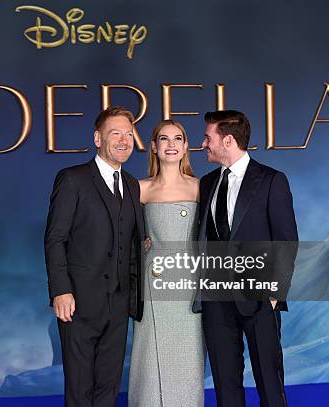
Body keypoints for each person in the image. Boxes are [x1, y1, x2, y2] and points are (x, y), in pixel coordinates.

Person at [44, 106, 145, 407]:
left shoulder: (131, 185)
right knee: (79, 388)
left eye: (129, 134)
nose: (125, 140)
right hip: (78, 302)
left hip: (118, 303)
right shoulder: (73, 179)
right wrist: (61, 290)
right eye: (116, 133)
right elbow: (55, 238)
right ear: (97, 138)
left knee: (109, 386)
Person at [197, 110, 298, 407]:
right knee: (225, 386)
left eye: (208, 137)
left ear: (227, 140)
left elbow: (287, 240)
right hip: (216, 300)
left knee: (269, 381)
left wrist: (275, 293)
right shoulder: (207, 183)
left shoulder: (271, 180)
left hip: (259, 300)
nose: (203, 144)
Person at [128, 120, 204, 407]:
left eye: (177, 138)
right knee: (149, 361)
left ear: (186, 147)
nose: (171, 144)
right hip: (153, 286)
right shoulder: (139, 189)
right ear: (154, 147)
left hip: (189, 286)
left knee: (188, 359)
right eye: (164, 139)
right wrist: (138, 248)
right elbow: (122, 235)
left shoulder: (201, 188)